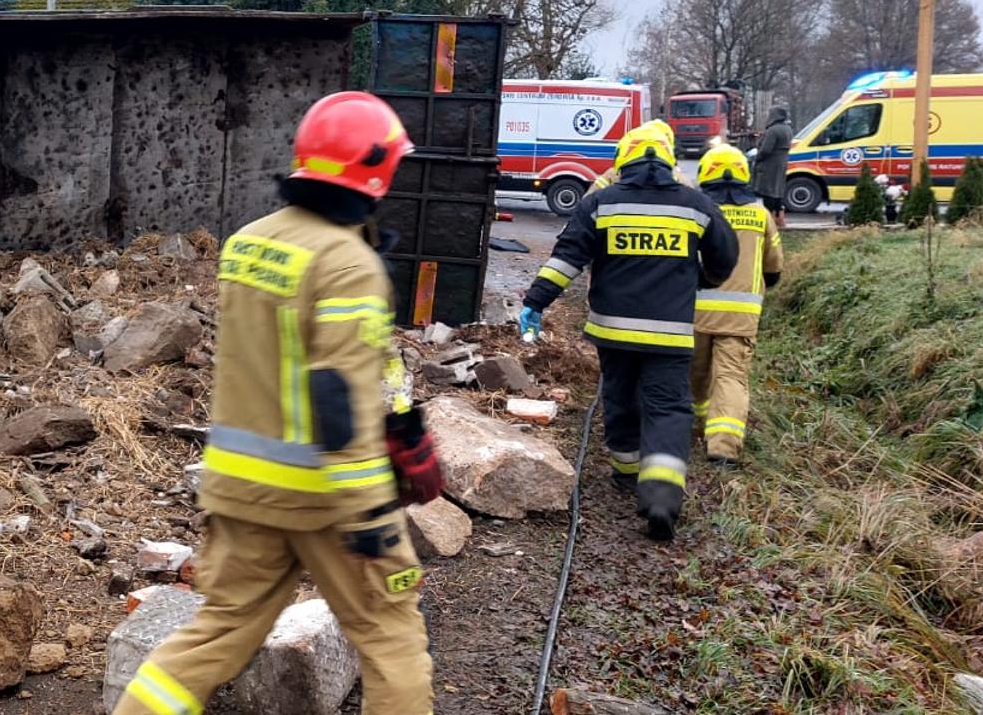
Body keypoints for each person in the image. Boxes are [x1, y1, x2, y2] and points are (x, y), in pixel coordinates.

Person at [112, 92, 439, 715]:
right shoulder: (349, 264)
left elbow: (276, 365)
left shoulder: (248, 244)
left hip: (239, 489)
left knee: (216, 633)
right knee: (391, 639)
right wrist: (370, 515)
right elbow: (334, 398)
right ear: (376, 168)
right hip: (329, 497)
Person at [519, 123, 738, 541]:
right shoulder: (696, 205)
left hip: (613, 332)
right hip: (670, 336)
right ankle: (660, 496)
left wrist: (535, 302)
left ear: (624, 161)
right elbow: (724, 258)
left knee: (619, 398)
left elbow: (568, 258)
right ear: (669, 161)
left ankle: (626, 472)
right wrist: (700, 280)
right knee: (668, 408)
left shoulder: (601, 203)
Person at [689, 145, 783, 464]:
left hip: (694, 311)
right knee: (730, 378)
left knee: (694, 373)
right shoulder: (760, 215)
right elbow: (774, 267)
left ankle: (692, 425)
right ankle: (723, 447)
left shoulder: (697, 210)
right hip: (741, 319)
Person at [750, 107, 793, 225]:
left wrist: (756, 157)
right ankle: (780, 219)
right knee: (777, 192)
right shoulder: (788, 129)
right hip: (781, 163)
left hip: (770, 165)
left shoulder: (772, 131)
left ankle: (769, 220)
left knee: (768, 192)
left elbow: (766, 150)